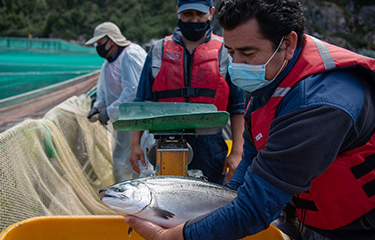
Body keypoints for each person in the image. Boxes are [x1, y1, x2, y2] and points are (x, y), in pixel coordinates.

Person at [124, 0, 375, 239]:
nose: (237, 65)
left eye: (247, 52)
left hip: (359, 225)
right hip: (311, 217)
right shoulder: (268, 78)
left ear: (287, 43)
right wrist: (226, 200)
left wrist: (171, 236)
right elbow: (253, 154)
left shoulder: (320, 105)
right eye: (231, 52)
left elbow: (254, 209)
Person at [129, 0, 245, 184]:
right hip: (165, 142)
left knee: (209, 201)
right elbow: (141, 101)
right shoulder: (159, 50)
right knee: (169, 198)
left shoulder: (226, 51)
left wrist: (237, 152)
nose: (194, 20)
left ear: (211, 12)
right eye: (187, 14)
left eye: (200, 14)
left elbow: (238, 107)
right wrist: (134, 144)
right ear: (178, 12)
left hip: (210, 145)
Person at [85, 22, 154, 183]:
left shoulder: (130, 55)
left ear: (112, 40)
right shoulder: (108, 63)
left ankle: (143, 205)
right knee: (121, 164)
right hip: (123, 124)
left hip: (140, 123)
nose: (98, 47)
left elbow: (134, 91)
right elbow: (102, 90)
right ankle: (124, 203)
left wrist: (109, 112)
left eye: (100, 43)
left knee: (143, 167)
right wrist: (97, 107)